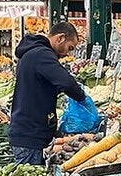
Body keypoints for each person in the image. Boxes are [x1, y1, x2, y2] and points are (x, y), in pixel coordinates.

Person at [8, 22, 86, 165]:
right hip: (30, 135)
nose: (67, 53)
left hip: (27, 130)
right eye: (70, 47)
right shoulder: (42, 54)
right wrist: (82, 99)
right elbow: (66, 82)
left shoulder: (32, 53)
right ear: (60, 38)